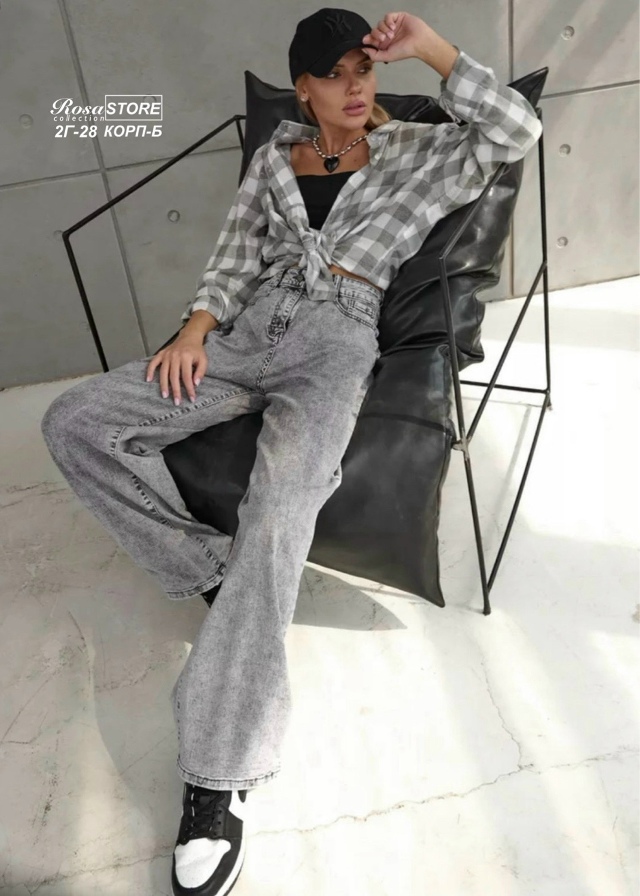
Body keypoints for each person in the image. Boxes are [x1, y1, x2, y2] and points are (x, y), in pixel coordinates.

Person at [40, 8, 542, 895]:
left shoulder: (420, 151)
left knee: (279, 511)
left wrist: (428, 49)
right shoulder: (276, 158)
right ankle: (208, 568)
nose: (355, 87)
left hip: (337, 338)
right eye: (334, 74)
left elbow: (517, 129)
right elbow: (232, 261)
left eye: (364, 70)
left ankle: (217, 776)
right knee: (75, 421)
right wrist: (195, 330)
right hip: (244, 334)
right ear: (302, 87)